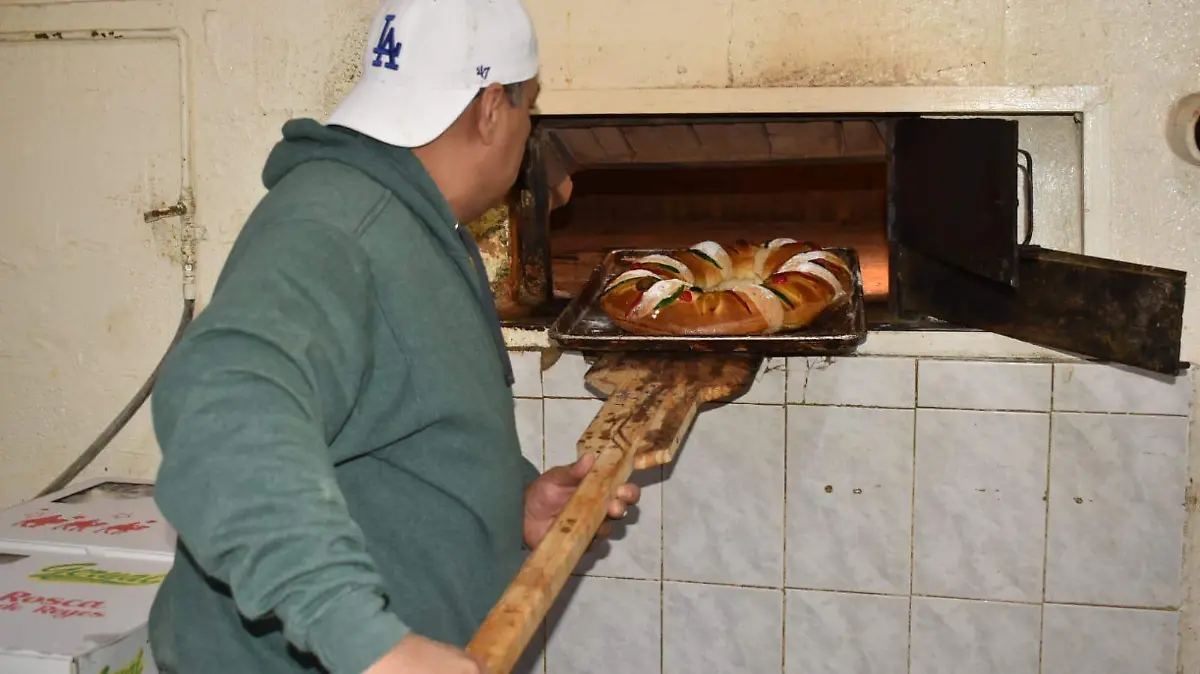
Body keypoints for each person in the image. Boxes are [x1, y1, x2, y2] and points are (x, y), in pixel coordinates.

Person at [145, 0, 639, 672]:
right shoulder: (338, 227)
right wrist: (370, 644)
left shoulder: (418, 226)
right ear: (492, 107)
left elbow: (393, 428)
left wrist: (508, 506)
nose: (530, 134)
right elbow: (223, 407)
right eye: (532, 110)